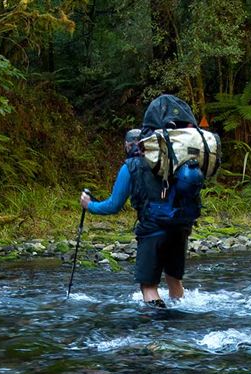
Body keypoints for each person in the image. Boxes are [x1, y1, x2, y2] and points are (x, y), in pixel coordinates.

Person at [79, 95, 206, 309]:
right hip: (181, 227)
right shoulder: (182, 159)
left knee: (148, 286)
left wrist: (89, 205)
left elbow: (113, 205)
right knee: (174, 280)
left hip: (152, 230)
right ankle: (181, 325)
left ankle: (155, 331)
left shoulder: (132, 166)